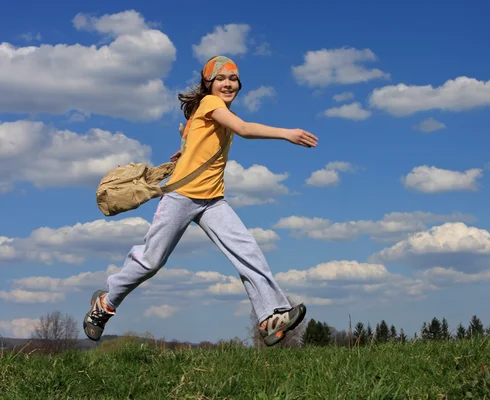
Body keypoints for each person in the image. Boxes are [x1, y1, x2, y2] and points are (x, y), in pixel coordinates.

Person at [83, 55, 317, 347]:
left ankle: (271, 316)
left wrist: (186, 150)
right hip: (181, 197)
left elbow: (199, 140)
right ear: (209, 84)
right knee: (151, 261)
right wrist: (286, 133)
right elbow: (243, 129)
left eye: (233, 79)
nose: (228, 84)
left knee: (248, 252)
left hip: (213, 201)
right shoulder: (211, 104)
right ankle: (104, 305)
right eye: (221, 79)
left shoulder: (211, 112)